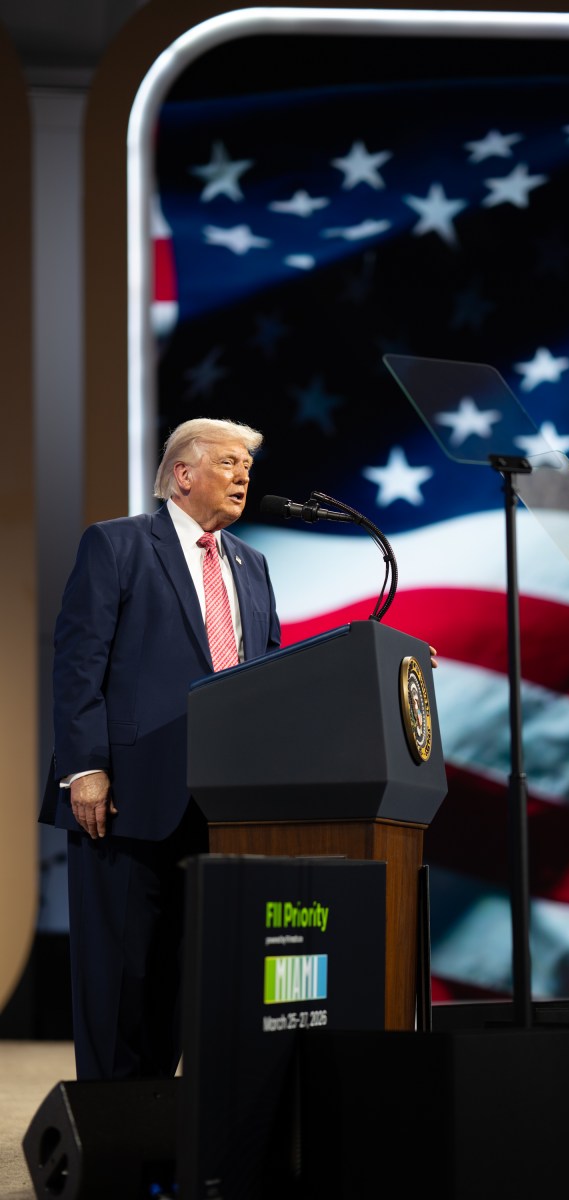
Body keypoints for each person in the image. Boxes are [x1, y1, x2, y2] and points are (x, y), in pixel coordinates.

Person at [40, 417, 281, 1080]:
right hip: (126, 798)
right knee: (119, 977)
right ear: (184, 472)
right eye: (231, 463)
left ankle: (157, 1120)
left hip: (221, 804)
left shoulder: (252, 566)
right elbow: (79, 660)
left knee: (180, 978)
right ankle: (112, 1131)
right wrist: (84, 768)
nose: (244, 478)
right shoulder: (116, 545)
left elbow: (274, 670)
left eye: (248, 468)